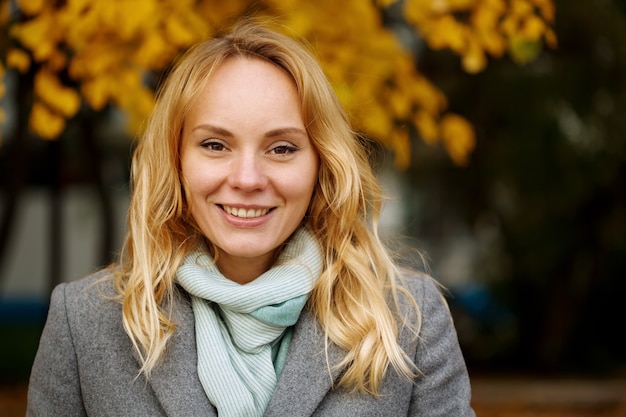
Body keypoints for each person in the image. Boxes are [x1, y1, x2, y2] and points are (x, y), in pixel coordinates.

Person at [26, 21, 475, 417]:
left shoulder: (406, 319)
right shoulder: (86, 322)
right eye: (215, 145)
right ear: (176, 160)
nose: (247, 179)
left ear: (322, 163)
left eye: (281, 148)